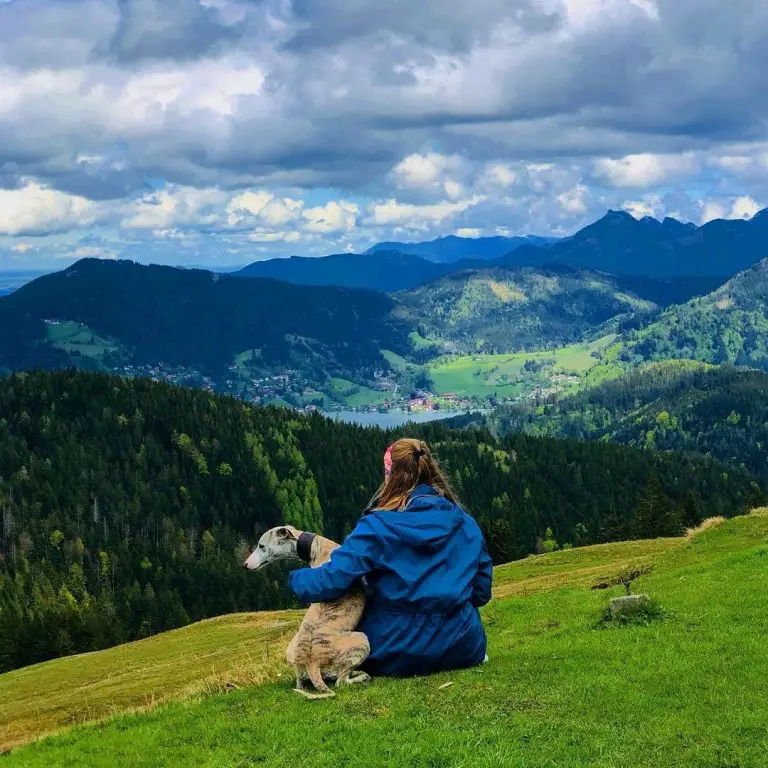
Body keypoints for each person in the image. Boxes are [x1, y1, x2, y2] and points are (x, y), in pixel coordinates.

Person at [288, 437, 493, 678]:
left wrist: (295, 580)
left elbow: (331, 581)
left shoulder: (376, 526)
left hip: (393, 651)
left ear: (390, 476)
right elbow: (481, 592)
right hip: (463, 648)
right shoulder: (466, 524)